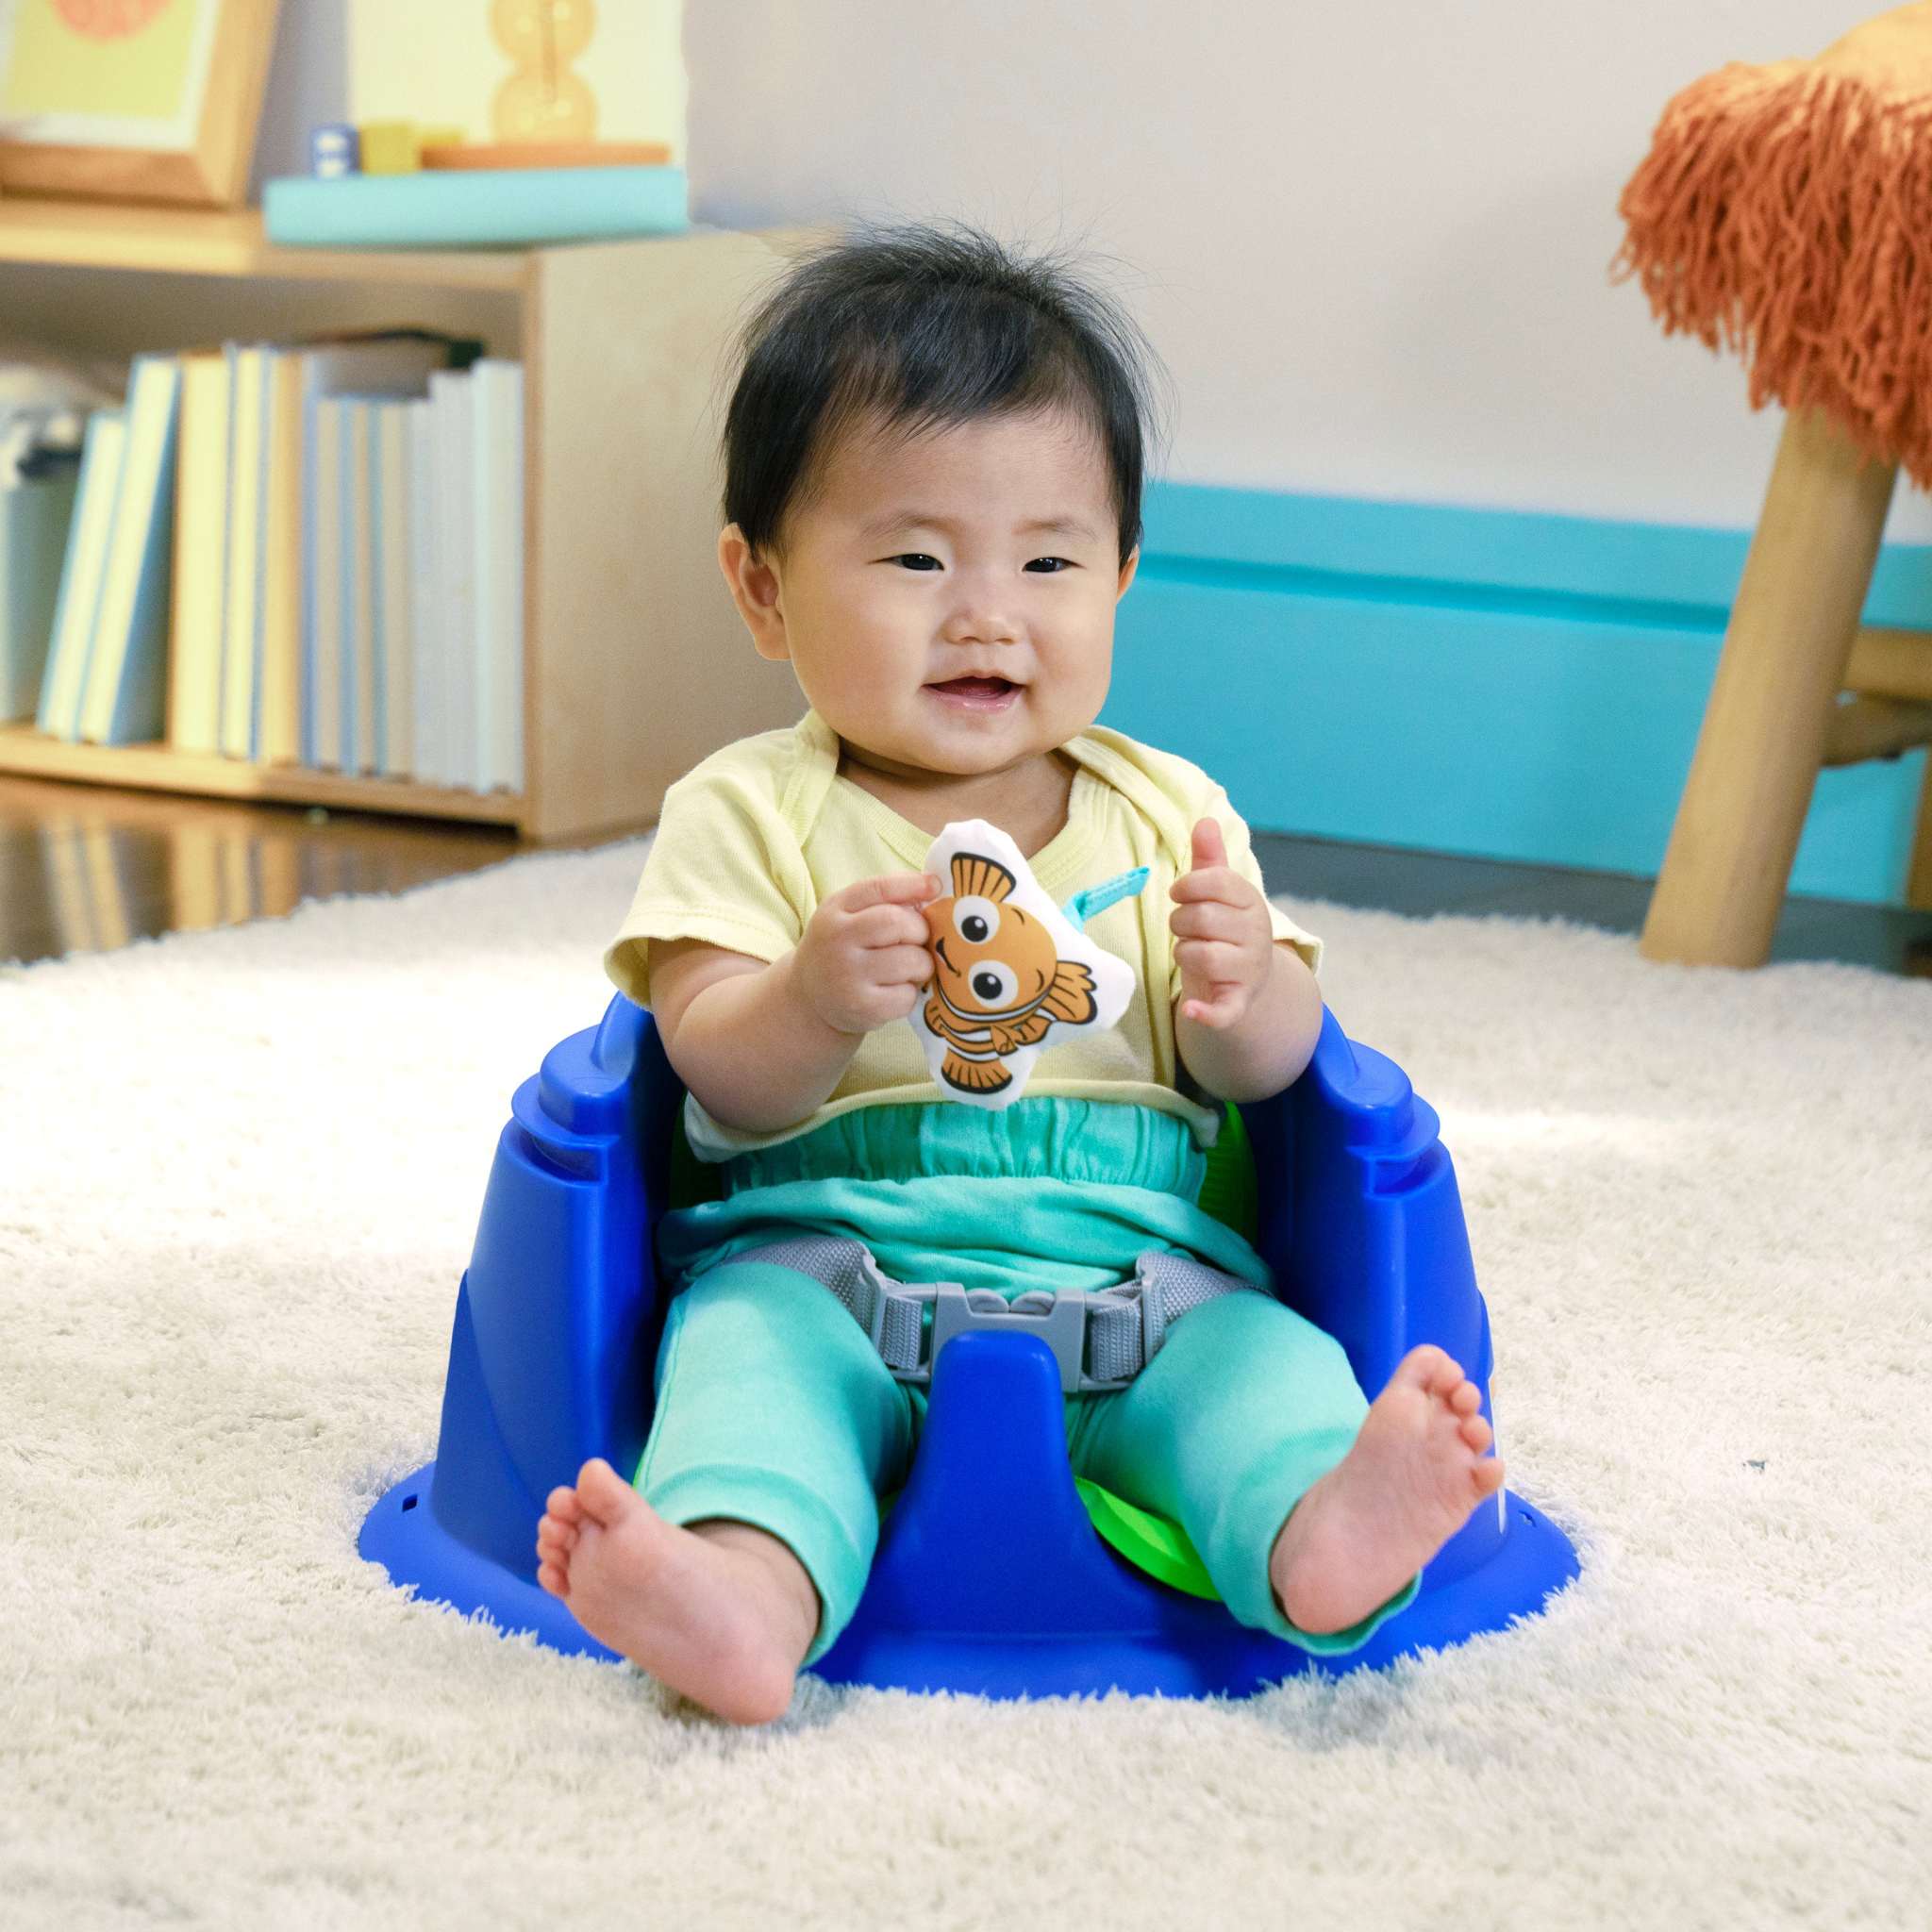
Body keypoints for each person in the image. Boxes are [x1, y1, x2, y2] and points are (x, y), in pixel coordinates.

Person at [535, 220, 1503, 1724]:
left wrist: (1250, 989)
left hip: (1146, 1286)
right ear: (763, 587)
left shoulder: (1169, 809)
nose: (988, 611)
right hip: (824, 1271)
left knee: (1267, 1369)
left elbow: (1273, 1079)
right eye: (916, 558)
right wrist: (808, 1000)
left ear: (1120, 576)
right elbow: (709, 1065)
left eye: (1050, 560)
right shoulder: (748, 808)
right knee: (743, 1382)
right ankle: (737, 1597)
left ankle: (1325, 1529)